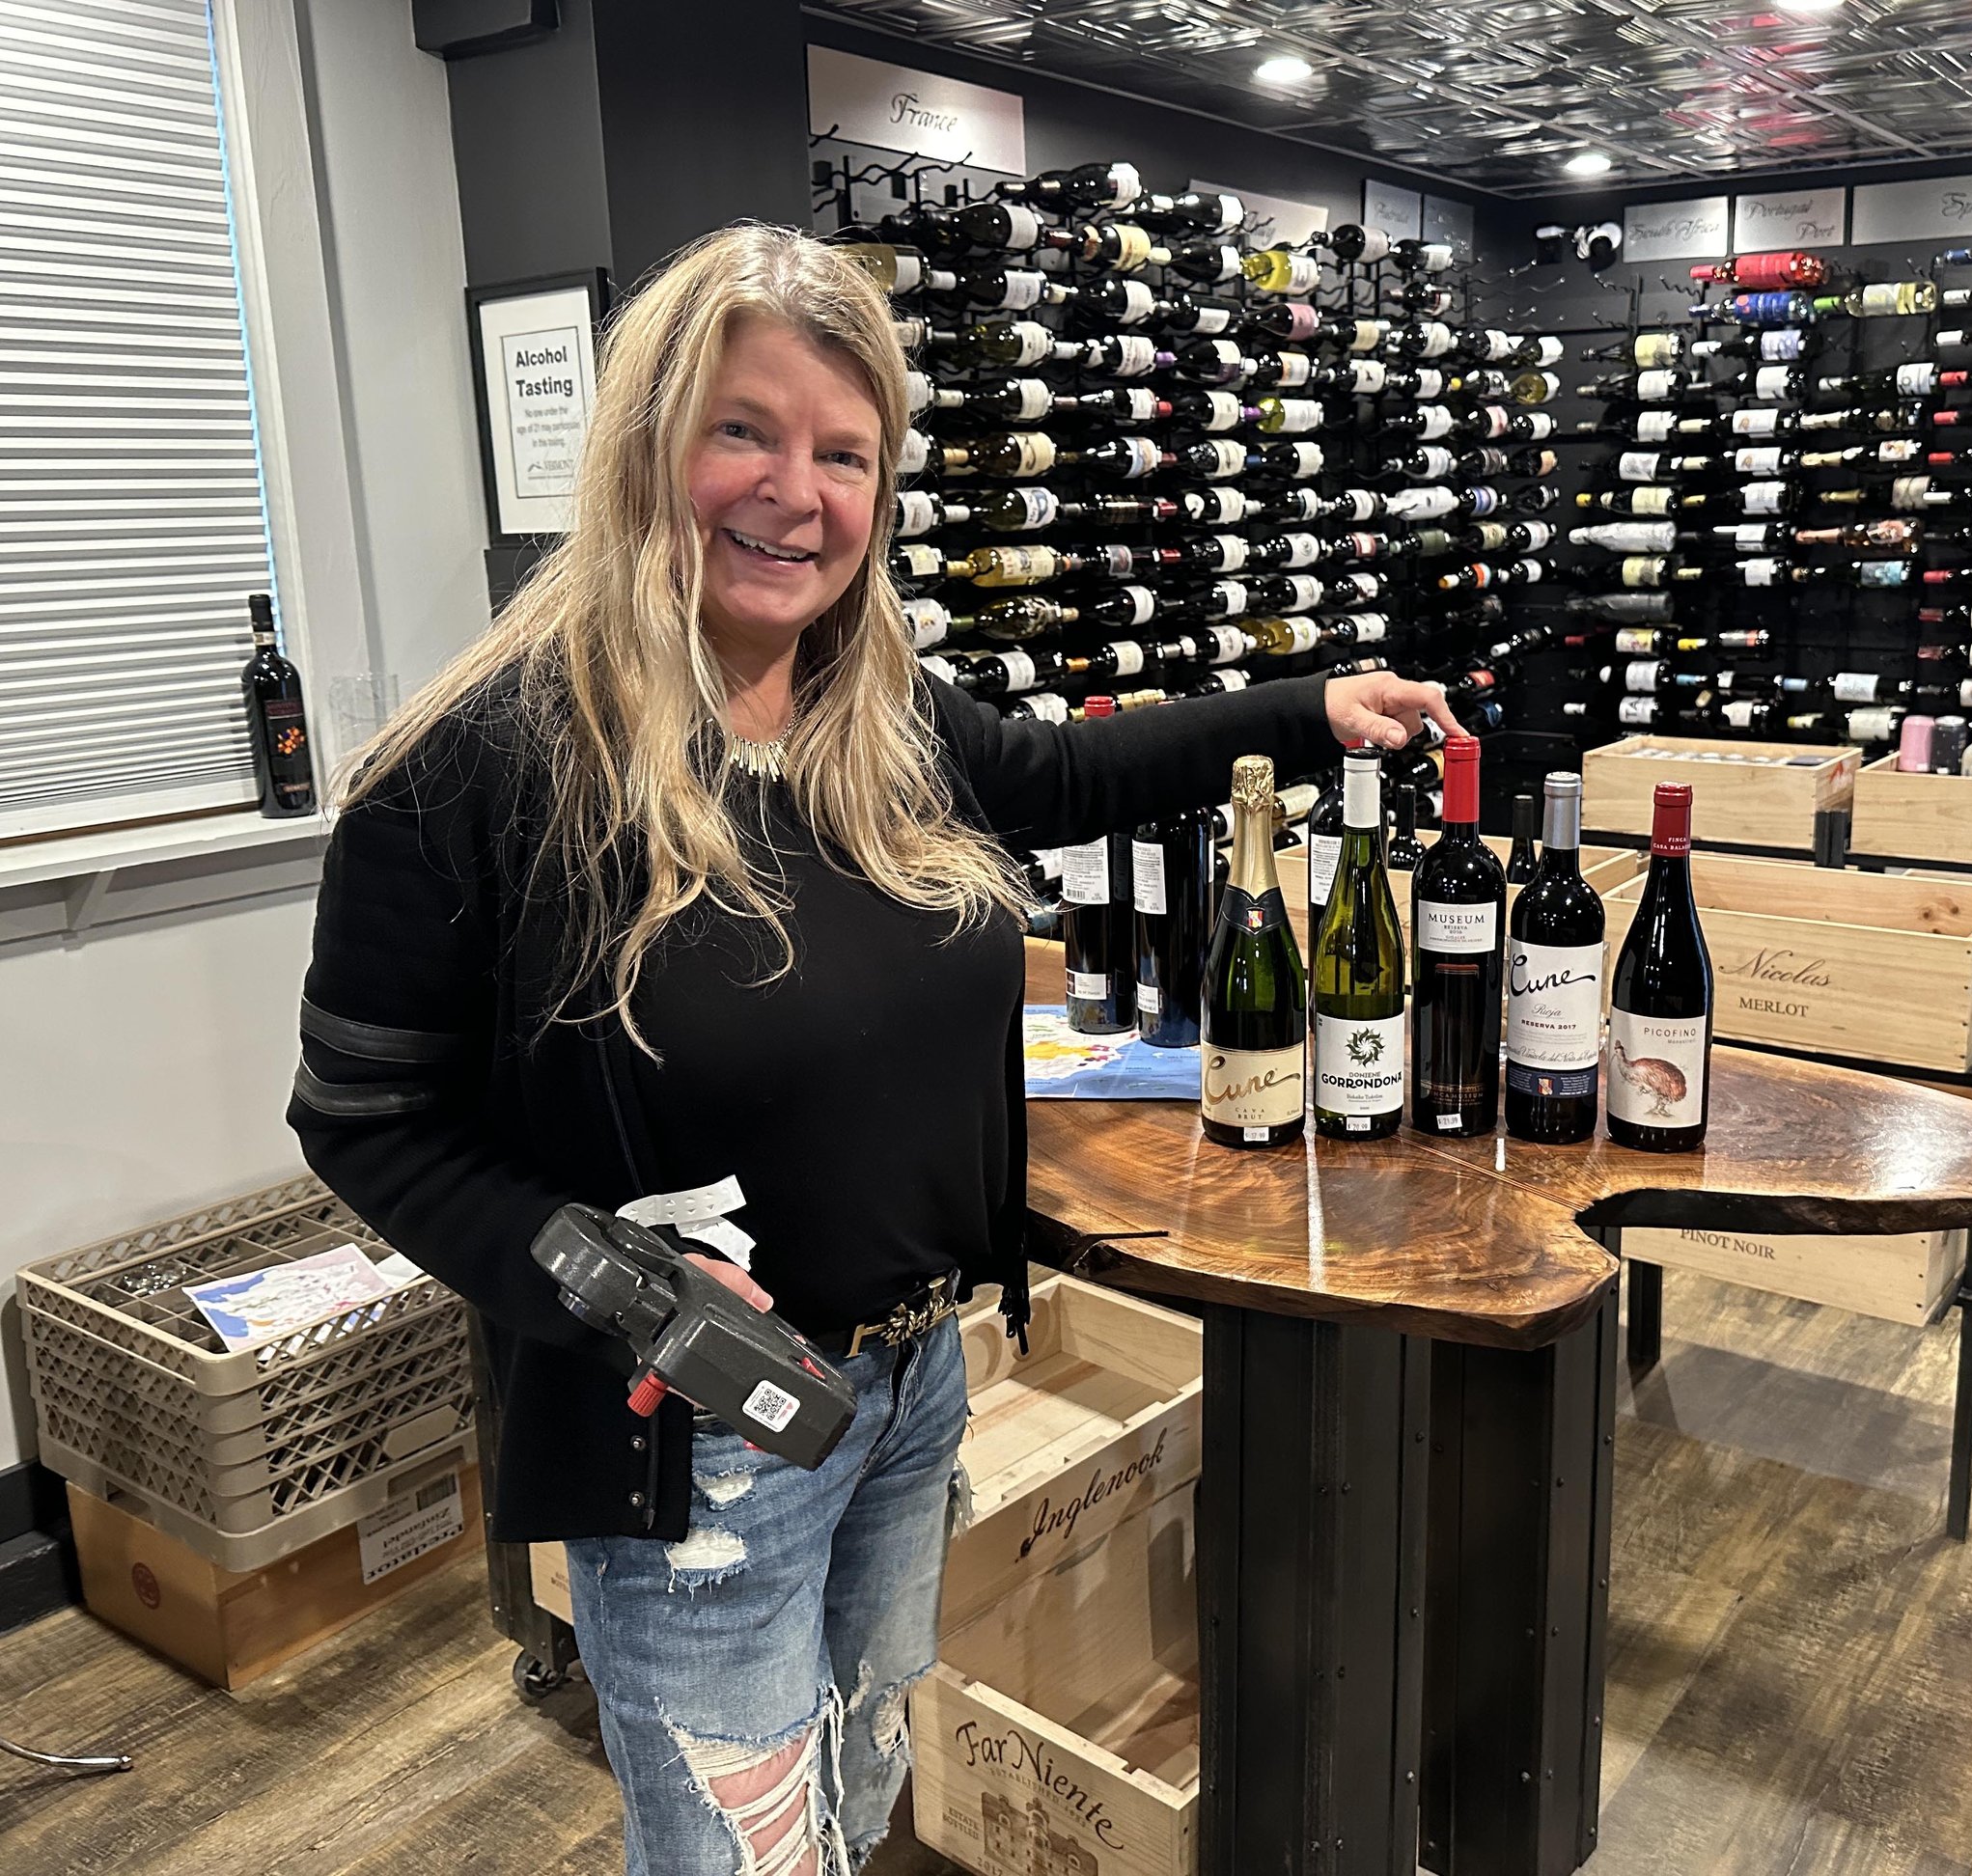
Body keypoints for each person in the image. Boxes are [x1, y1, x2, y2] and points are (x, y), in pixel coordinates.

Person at [288, 223, 1459, 1875]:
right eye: (746, 431)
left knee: (851, 1802)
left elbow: (1063, 776)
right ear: (645, 447)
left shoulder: (876, 715)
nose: (798, 493)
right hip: (695, 1433)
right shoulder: (477, 772)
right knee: (738, 1856)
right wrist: (616, 1281)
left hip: (913, 1385)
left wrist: (1305, 707)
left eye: (847, 454)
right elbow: (363, 1120)